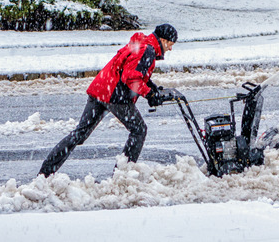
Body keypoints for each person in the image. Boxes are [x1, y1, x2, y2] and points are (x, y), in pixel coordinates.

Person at [38, 23, 178, 177]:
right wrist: (150, 94)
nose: (170, 49)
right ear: (163, 41)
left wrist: (152, 88)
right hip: (115, 96)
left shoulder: (143, 44)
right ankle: (122, 175)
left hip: (101, 89)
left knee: (79, 134)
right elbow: (130, 78)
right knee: (139, 130)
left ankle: (45, 172)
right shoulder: (148, 50)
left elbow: (135, 71)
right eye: (170, 44)